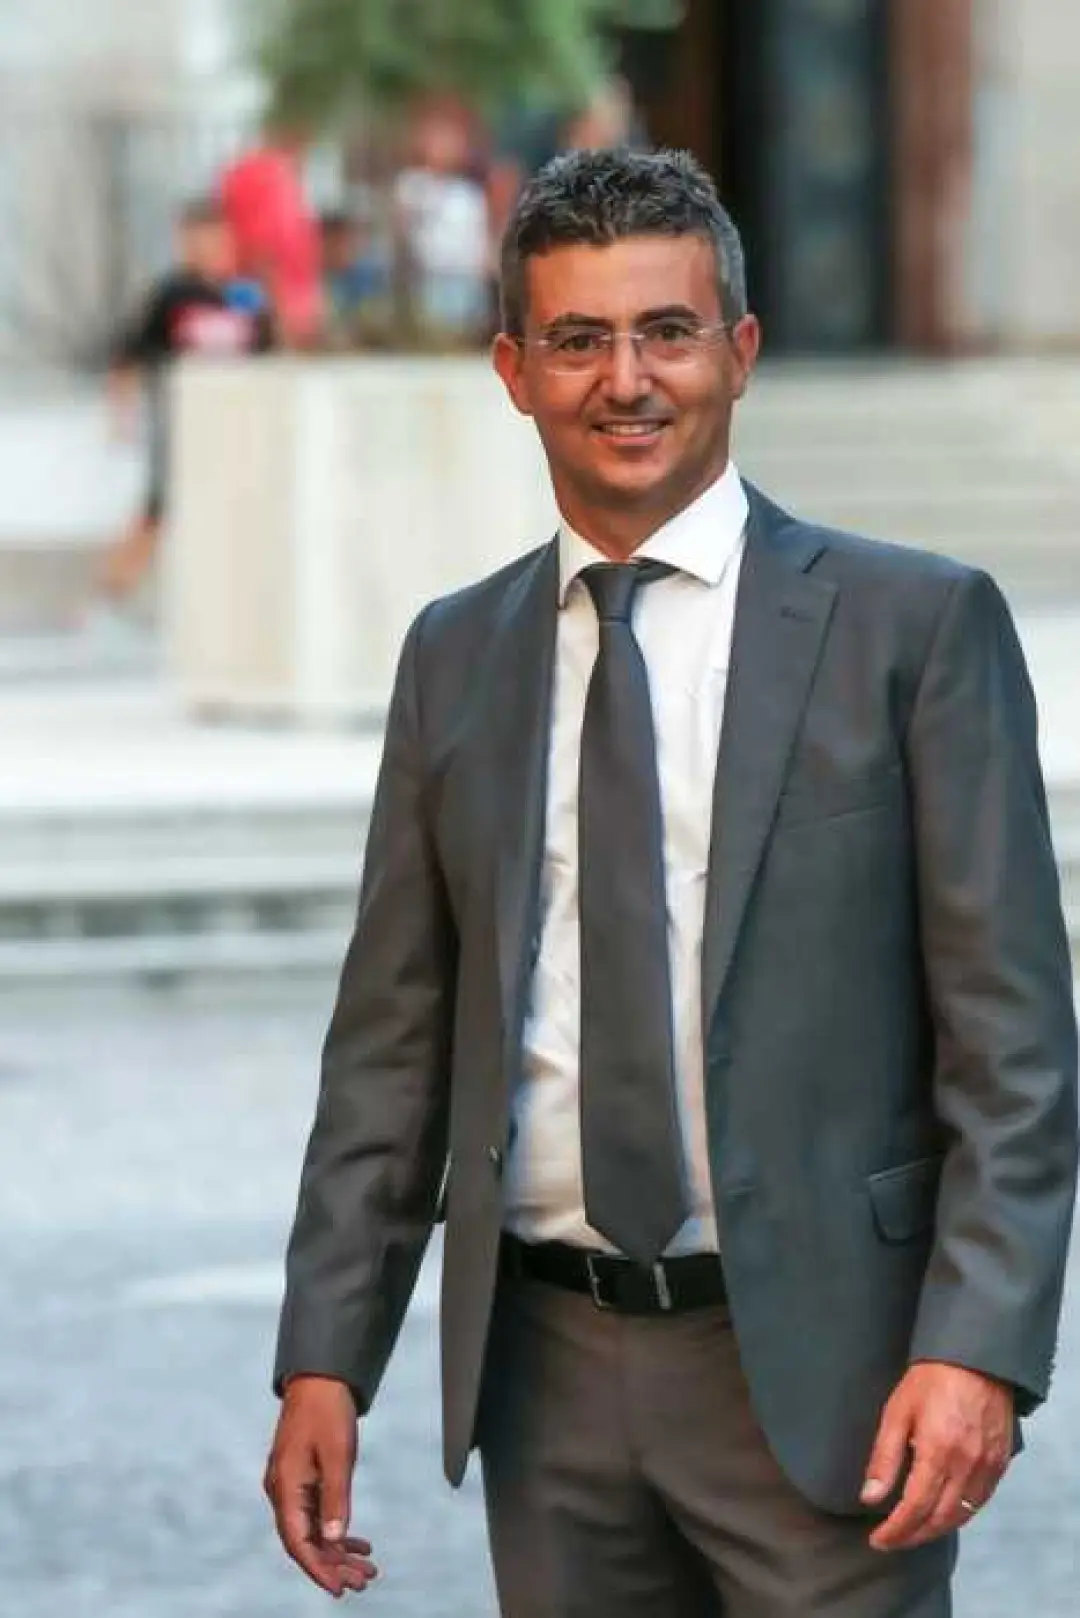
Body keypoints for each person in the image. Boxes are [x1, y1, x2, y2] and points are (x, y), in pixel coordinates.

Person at [264, 148, 1078, 1617]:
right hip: (547, 1376)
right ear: (515, 371)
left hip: (829, 1375)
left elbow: (1014, 1048)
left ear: (740, 352)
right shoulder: (456, 653)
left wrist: (977, 1346)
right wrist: (325, 1354)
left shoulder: (914, 629)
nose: (626, 380)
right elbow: (389, 1044)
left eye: (668, 332)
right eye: (579, 339)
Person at [89, 198, 273, 629]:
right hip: (178, 421)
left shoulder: (245, 294)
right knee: (159, 507)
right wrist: (120, 412)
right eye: (197, 238)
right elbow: (130, 354)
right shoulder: (171, 295)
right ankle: (111, 596)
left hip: (235, 423)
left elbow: (269, 354)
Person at [219, 122, 323, 348]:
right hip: (269, 314)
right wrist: (278, 319)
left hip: (286, 314)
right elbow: (261, 249)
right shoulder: (264, 175)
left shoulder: (285, 175)